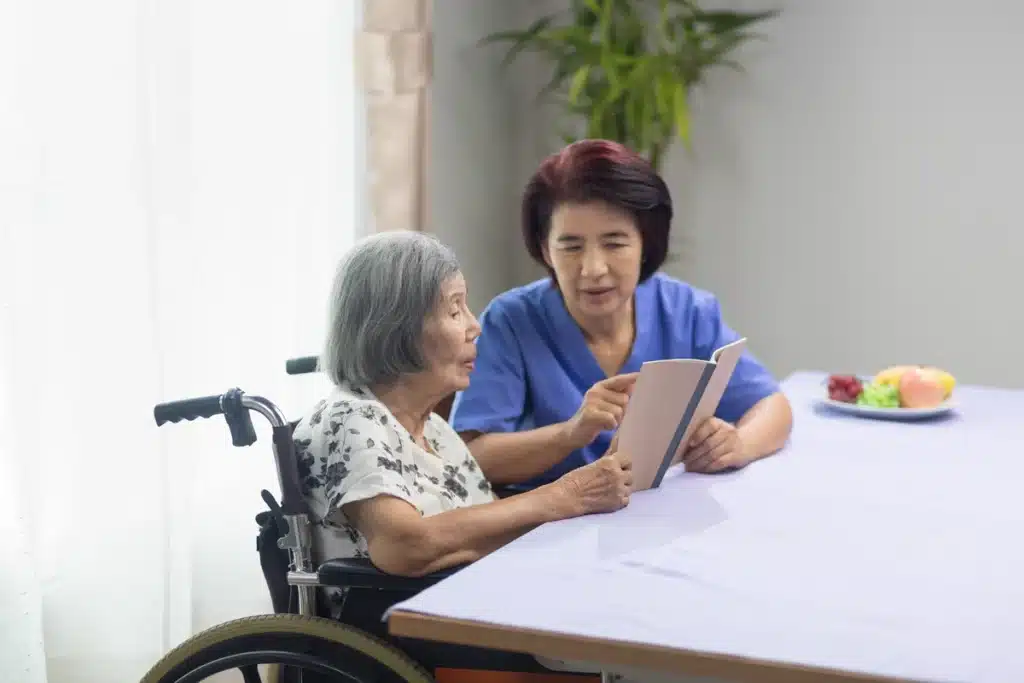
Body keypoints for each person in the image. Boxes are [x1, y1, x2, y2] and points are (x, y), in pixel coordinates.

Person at [449, 139, 793, 493]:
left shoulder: (685, 310)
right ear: (544, 250)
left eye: (614, 243)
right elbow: (471, 456)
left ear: (646, 243)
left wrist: (737, 444)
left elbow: (772, 404)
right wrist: (570, 434)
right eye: (571, 246)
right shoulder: (512, 321)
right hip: (548, 529)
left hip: (660, 523)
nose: (594, 269)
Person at [293, 230, 632, 581]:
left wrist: (589, 499)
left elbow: (486, 533)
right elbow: (404, 546)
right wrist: (564, 495)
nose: (475, 326)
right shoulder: (352, 418)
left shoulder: (435, 431)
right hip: (403, 621)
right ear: (397, 329)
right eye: (455, 310)